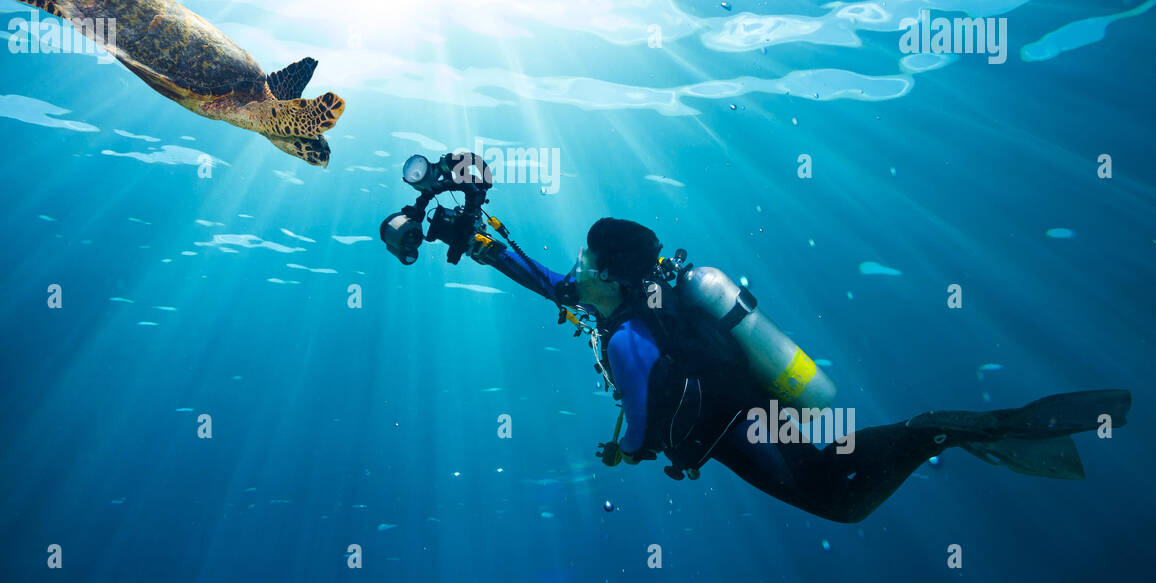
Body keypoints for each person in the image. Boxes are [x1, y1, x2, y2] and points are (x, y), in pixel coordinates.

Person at [470, 216, 1131, 523]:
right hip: (757, 402)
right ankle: (953, 432)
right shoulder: (634, 298)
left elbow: (641, 429)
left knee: (838, 502)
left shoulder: (625, 340)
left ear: (611, 273)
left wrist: (621, 453)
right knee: (830, 473)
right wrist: (481, 246)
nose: (576, 264)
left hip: (741, 430)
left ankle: (950, 429)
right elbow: (559, 286)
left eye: (586, 257)